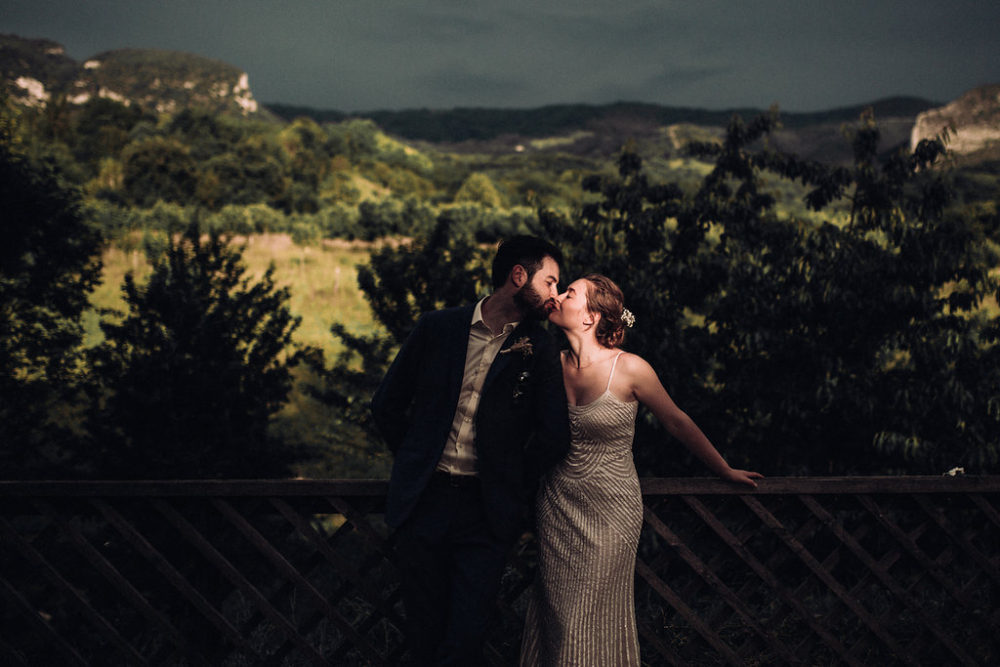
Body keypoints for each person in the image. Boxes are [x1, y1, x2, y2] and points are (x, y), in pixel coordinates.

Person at [520, 273, 762, 666]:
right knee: (557, 617)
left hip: (611, 514)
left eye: (570, 292)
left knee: (588, 616)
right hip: (557, 508)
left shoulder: (630, 369)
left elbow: (677, 422)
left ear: (590, 317)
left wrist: (724, 470)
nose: (559, 296)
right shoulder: (551, 365)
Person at [371, 235, 571, 665]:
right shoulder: (437, 327)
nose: (556, 295)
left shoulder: (540, 348)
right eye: (551, 282)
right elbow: (386, 404)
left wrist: (510, 479)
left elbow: (554, 434)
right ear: (519, 276)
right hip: (423, 504)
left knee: (464, 641)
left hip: (486, 512)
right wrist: (416, 460)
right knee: (423, 637)